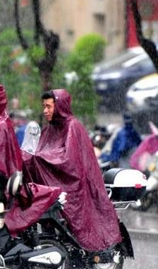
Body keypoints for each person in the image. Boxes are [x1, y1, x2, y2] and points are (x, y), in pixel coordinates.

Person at [23, 90, 122, 252]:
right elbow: (39, 150)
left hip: (76, 186)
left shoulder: (72, 127)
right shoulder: (50, 129)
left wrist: (37, 159)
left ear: (59, 106)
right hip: (60, 185)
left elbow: (67, 161)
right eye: (43, 107)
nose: (45, 111)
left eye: (49, 106)